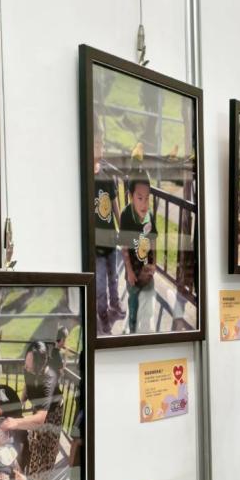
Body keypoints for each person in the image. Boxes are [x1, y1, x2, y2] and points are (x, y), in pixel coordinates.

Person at [0, 340, 64, 480]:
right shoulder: (28, 369)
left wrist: (16, 422)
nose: (26, 368)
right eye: (26, 364)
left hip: (52, 413)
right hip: (39, 409)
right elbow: (27, 386)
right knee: (35, 445)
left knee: (47, 449)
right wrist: (20, 403)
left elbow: (41, 418)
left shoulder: (49, 378)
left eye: (30, 366)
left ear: (41, 366)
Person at [92, 131, 125, 332]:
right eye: (97, 144)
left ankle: (115, 303)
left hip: (110, 240)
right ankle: (103, 315)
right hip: (95, 244)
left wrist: (122, 229)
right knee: (100, 283)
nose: (100, 147)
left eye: (101, 144)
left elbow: (115, 206)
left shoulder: (106, 175)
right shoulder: (86, 177)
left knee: (114, 277)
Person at [119, 171, 157, 334]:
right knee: (133, 306)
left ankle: (145, 333)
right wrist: (129, 271)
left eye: (147, 198)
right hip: (133, 275)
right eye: (140, 198)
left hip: (147, 273)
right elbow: (124, 246)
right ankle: (132, 331)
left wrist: (154, 264)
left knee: (148, 309)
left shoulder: (150, 216)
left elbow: (153, 240)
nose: (144, 204)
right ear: (131, 196)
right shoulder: (126, 215)